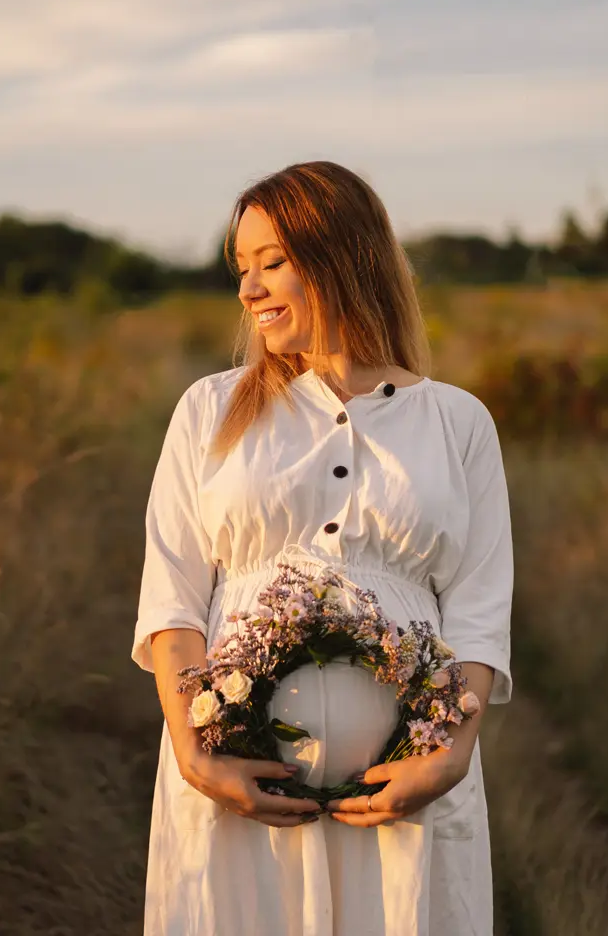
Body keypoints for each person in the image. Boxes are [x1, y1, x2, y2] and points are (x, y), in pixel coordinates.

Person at [132, 161, 514, 935]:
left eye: (272, 262)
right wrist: (197, 757)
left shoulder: (457, 422)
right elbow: (171, 597)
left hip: (405, 795)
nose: (248, 289)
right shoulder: (208, 409)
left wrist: (447, 760)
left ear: (344, 256)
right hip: (239, 788)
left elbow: (479, 608)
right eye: (242, 269)